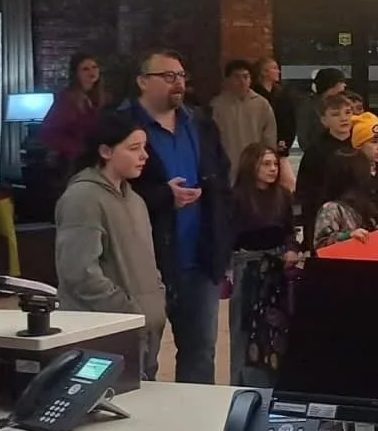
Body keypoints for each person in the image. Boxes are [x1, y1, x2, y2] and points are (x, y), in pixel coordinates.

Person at [122, 50, 233, 383]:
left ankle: (196, 417)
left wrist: (223, 239)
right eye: (168, 76)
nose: (179, 83)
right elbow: (112, 190)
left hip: (200, 258)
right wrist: (162, 196)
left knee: (201, 353)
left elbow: (221, 177)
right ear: (143, 81)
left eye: (181, 76)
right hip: (149, 262)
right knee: (142, 360)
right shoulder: (122, 127)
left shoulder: (199, 123)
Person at [54, 109, 166, 379]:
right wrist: (129, 310)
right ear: (106, 151)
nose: (144, 156)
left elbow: (146, 263)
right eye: (134, 148)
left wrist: (157, 301)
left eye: (144, 147)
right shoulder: (82, 198)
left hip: (143, 332)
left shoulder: (135, 200)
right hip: (106, 334)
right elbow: (79, 273)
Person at [227, 142, 297, 387]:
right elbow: (228, 236)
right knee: (244, 328)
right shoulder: (236, 198)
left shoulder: (283, 196)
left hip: (277, 267)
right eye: (266, 164)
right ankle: (241, 383)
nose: (273, 169)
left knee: (277, 328)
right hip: (247, 266)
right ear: (251, 166)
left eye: (275, 164)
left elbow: (289, 230)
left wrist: (291, 249)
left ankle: (276, 383)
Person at [314, 146, 378, 252]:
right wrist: (348, 236)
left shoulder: (363, 204)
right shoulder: (331, 209)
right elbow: (321, 244)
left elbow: (369, 233)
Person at [293, 92, 354, 243]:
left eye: (348, 112)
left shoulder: (362, 143)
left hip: (358, 214)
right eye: (336, 114)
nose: (344, 118)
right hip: (324, 217)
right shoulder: (315, 151)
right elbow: (305, 192)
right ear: (324, 120)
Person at [39, 52, 107, 175]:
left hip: (95, 158)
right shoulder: (67, 98)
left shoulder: (100, 96)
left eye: (94, 67)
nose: (91, 72)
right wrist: (76, 149)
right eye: (85, 69)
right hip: (75, 162)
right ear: (76, 73)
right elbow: (48, 132)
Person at [209, 59, 278, 180]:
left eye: (246, 77)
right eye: (237, 77)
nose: (242, 81)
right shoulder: (217, 106)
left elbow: (270, 137)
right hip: (226, 167)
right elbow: (211, 140)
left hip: (256, 166)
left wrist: (268, 162)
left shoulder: (262, 104)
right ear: (228, 79)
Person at [295, 67, 348, 156]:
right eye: (341, 82)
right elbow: (305, 136)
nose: (344, 85)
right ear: (332, 84)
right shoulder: (310, 106)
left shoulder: (337, 103)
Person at [251, 57, 297, 156]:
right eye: (274, 68)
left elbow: (289, 122)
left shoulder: (282, 95)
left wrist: (284, 142)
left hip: (280, 145)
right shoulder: (253, 96)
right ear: (264, 72)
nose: (278, 71)